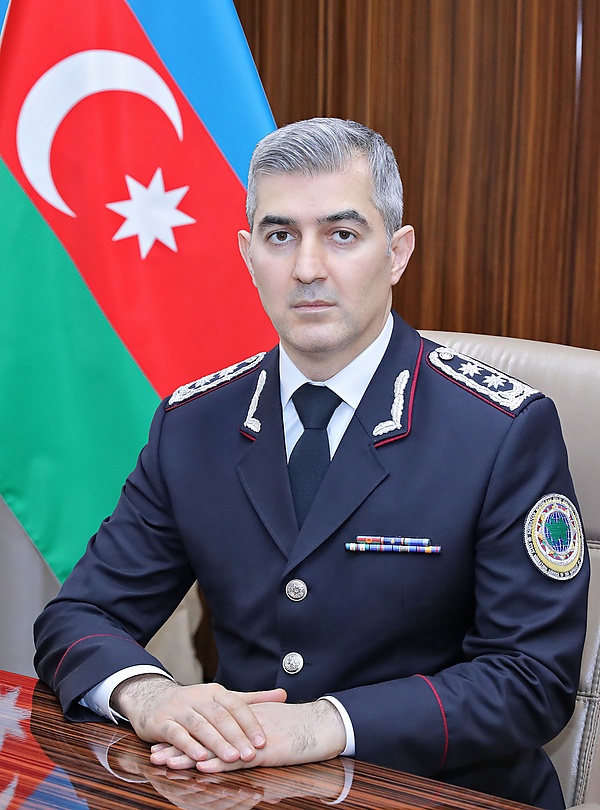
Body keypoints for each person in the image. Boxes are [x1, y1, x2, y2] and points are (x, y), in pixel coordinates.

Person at [34, 118, 589, 809]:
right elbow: (80, 615)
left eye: (342, 234)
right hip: (246, 791)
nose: (307, 269)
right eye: (280, 236)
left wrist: (324, 724)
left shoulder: (500, 430)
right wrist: (150, 697)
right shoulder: (195, 425)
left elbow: (532, 680)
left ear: (397, 253)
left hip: (437, 794)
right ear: (247, 254)